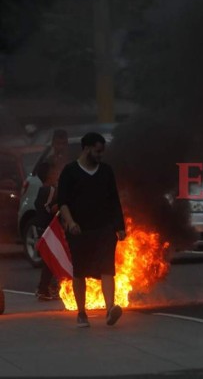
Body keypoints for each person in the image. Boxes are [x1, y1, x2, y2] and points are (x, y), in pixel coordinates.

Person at [57, 132, 126, 328]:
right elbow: (63, 202)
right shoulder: (70, 172)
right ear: (86, 148)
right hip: (79, 230)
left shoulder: (106, 171)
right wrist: (70, 223)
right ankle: (81, 313)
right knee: (79, 271)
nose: (100, 155)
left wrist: (119, 226)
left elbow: (114, 200)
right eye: (97, 151)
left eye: (102, 152)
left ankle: (110, 308)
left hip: (104, 228)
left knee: (107, 269)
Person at [33, 162, 60, 301]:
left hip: (41, 228)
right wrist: (62, 204)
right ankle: (44, 289)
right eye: (55, 171)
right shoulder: (50, 190)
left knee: (49, 260)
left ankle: (46, 288)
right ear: (50, 175)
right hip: (47, 229)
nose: (57, 173)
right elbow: (49, 208)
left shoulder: (42, 189)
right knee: (51, 261)